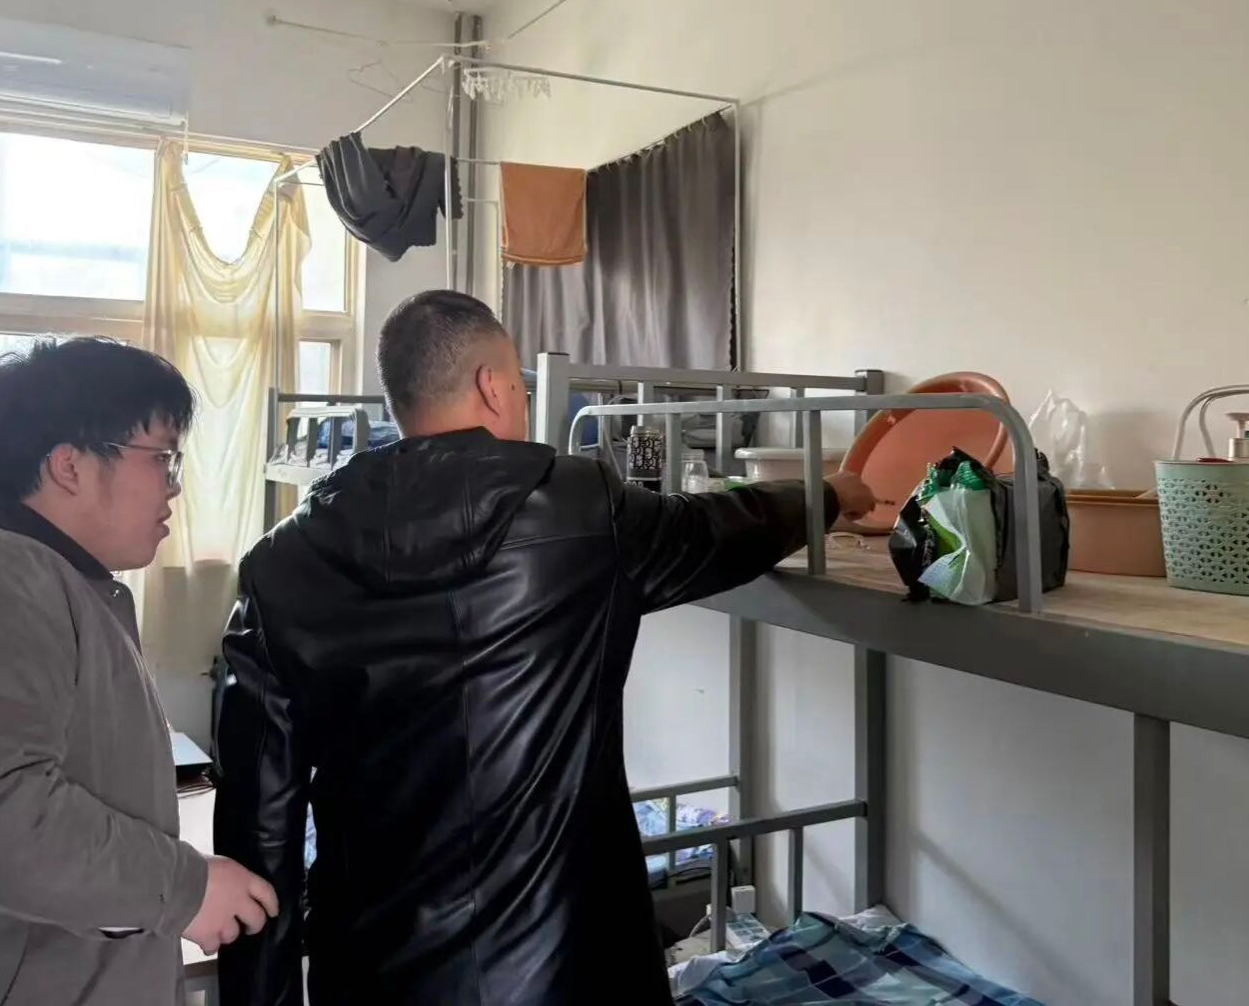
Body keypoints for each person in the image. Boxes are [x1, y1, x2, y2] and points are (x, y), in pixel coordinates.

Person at [216, 292, 876, 1006]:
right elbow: (721, 526)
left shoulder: (278, 566)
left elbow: (258, 833)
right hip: (566, 968)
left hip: (373, 972)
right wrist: (828, 494)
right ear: (493, 387)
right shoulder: (582, 506)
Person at [0, 338, 279, 1006]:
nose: (174, 486)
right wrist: (184, 888)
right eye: (161, 458)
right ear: (68, 465)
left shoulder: (42, 580)